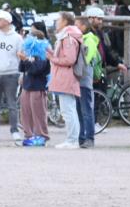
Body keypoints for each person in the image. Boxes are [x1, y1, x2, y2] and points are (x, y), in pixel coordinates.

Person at [46, 11, 83, 149]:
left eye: (58, 20)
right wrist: (52, 54)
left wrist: (52, 58)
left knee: (68, 111)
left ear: (65, 22)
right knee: (69, 110)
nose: (56, 22)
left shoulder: (67, 38)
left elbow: (69, 59)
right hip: (65, 76)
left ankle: (72, 140)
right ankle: (72, 139)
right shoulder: (67, 37)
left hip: (66, 77)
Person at [0, 9, 23, 142]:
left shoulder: (17, 38)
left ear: (7, 21)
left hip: (11, 74)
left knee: (12, 105)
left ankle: (14, 130)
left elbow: (21, 57)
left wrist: (21, 74)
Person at [17, 27, 51, 147]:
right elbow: (22, 68)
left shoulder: (43, 56)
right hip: (27, 86)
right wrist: (23, 59)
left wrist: (26, 60)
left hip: (38, 87)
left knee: (38, 113)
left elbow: (36, 70)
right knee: (25, 112)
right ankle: (29, 135)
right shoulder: (29, 54)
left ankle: (41, 136)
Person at [75, 16, 100, 148]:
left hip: (84, 79)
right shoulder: (79, 39)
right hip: (77, 80)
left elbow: (87, 58)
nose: (74, 27)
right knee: (79, 111)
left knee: (86, 110)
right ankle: (81, 137)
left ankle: (89, 137)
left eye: (77, 25)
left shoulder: (89, 40)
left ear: (84, 26)